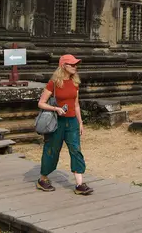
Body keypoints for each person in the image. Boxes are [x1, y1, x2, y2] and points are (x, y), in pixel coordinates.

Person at [35, 54, 93, 195]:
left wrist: (80, 122)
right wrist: (56, 108)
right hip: (56, 122)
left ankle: (79, 184)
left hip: (72, 121)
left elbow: (76, 104)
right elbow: (41, 103)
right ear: (63, 66)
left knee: (76, 150)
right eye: (71, 64)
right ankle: (43, 179)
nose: (75, 67)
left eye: (75, 64)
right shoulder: (53, 83)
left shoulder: (75, 82)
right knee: (52, 150)